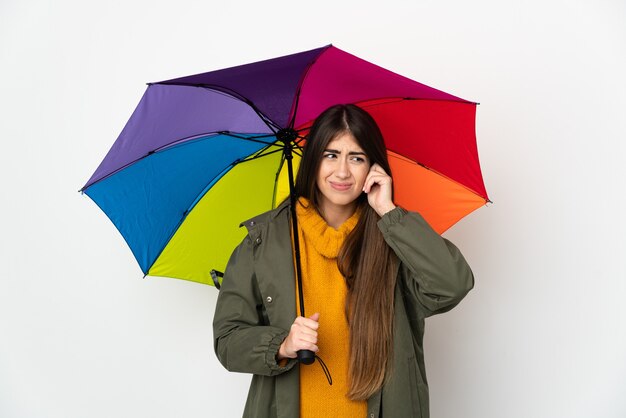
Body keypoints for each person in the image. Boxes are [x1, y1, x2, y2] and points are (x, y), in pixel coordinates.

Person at [213, 104, 474, 418]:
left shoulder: (393, 239)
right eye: (331, 154)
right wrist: (281, 345)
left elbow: (453, 285)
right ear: (313, 160)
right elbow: (227, 340)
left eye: (357, 158)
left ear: (373, 167)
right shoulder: (262, 241)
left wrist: (389, 213)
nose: (342, 172)